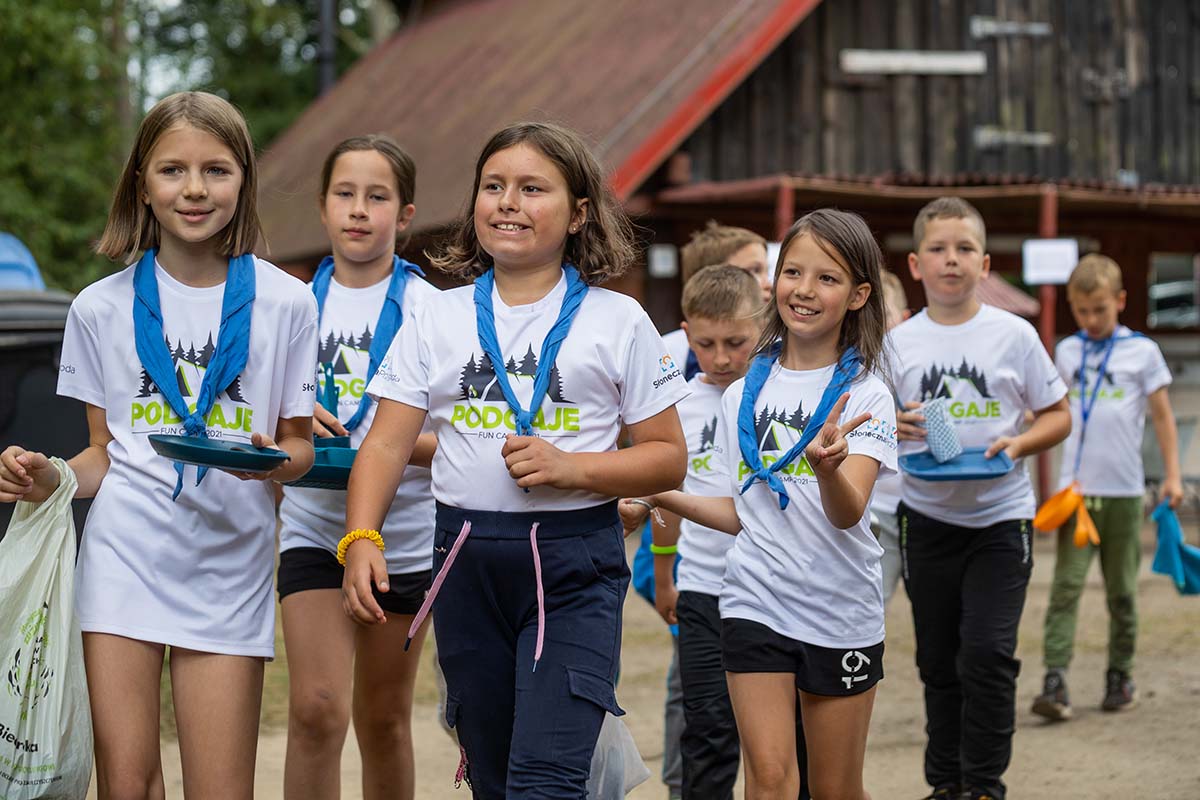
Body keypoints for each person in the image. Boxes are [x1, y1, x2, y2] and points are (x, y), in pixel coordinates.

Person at [340, 121, 689, 799]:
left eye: (533, 188)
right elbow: (384, 442)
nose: (508, 202)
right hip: (465, 562)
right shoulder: (434, 318)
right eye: (494, 186)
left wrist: (577, 470)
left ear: (579, 212)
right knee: (495, 777)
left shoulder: (619, 320)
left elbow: (667, 459)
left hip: (575, 567)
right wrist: (361, 537)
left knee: (548, 780)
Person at [0, 91, 318, 799]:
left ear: (245, 179)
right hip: (123, 560)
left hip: (229, 569)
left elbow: (299, 449)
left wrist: (273, 459)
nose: (196, 189)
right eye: (173, 170)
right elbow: (103, 454)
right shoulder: (97, 306)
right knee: (128, 785)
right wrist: (49, 478)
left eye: (217, 170)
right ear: (142, 181)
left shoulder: (287, 303)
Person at [624, 208, 898, 800]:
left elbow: (849, 513)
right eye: (794, 272)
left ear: (858, 294)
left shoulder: (866, 392)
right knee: (769, 781)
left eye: (827, 278)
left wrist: (827, 472)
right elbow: (739, 513)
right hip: (753, 599)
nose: (805, 289)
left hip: (839, 605)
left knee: (833, 790)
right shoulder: (744, 391)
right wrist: (655, 493)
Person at [888, 197, 1071, 800]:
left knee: (988, 655)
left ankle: (984, 786)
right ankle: (946, 783)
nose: (951, 260)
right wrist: (895, 424)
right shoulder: (897, 343)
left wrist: (1020, 443)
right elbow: (867, 423)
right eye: (938, 249)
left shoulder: (1014, 335)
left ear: (985, 263)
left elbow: (1058, 415)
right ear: (915, 264)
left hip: (1001, 519)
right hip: (926, 518)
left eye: (964, 249)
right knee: (938, 663)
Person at [277, 135, 441, 799]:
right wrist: (290, 426)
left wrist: (385, 446)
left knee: (384, 720)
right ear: (322, 207)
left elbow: (463, 440)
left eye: (378, 197)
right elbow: (259, 424)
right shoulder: (286, 307)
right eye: (345, 194)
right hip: (313, 528)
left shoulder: (438, 309)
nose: (359, 210)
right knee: (316, 709)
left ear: (404, 215)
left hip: (406, 540)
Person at [644, 220, 770, 798]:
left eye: (736, 344)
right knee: (709, 731)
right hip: (702, 588)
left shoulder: (781, 393)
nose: (720, 359)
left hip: (775, 588)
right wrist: (665, 573)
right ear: (687, 333)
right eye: (705, 344)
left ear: (762, 327)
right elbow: (668, 495)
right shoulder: (675, 400)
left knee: (777, 738)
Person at [1031, 253, 1184, 721]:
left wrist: (1173, 475)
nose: (1091, 320)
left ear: (1120, 301)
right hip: (1073, 493)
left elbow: (1161, 416)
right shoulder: (1068, 351)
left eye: (1100, 309)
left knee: (1121, 591)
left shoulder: (1143, 352)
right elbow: (1050, 407)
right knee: (1066, 587)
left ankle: (1121, 675)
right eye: (1082, 311)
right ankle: (1055, 681)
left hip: (1123, 492)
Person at [662, 221, 772, 378]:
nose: (768, 283)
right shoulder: (668, 354)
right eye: (753, 271)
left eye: (735, 342)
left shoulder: (786, 349)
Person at [869, 270, 911, 605]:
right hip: (875, 507)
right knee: (871, 601)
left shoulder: (919, 362)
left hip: (920, 503)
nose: (875, 326)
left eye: (882, 316)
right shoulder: (848, 367)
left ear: (905, 319)